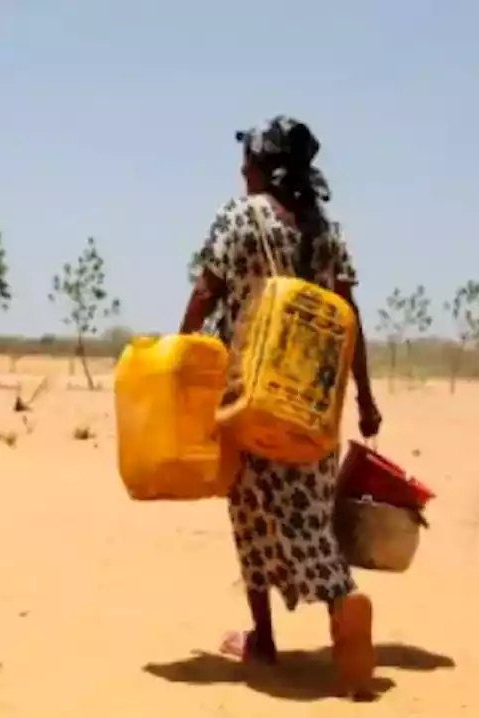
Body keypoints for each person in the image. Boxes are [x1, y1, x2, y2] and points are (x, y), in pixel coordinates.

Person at [179, 115, 383, 697]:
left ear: (261, 167)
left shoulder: (238, 218)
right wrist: (365, 397)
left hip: (248, 398)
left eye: (246, 159)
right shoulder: (325, 229)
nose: (240, 169)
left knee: (253, 517)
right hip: (315, 404)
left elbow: (203, 296)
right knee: (308, 514)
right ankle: (311, 621)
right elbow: (351, 320)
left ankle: (305, 616)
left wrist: (180, 369)